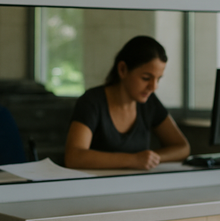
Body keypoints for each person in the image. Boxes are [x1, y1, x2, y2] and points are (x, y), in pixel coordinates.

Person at [64, 35, 190, 170]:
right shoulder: (91, 101)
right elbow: (73, 157)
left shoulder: (150, 102)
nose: (153, 87)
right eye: (146, 78)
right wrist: (133, 159)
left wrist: (150, 158)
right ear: (122, 69)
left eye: (158, 79)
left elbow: (182, 148)